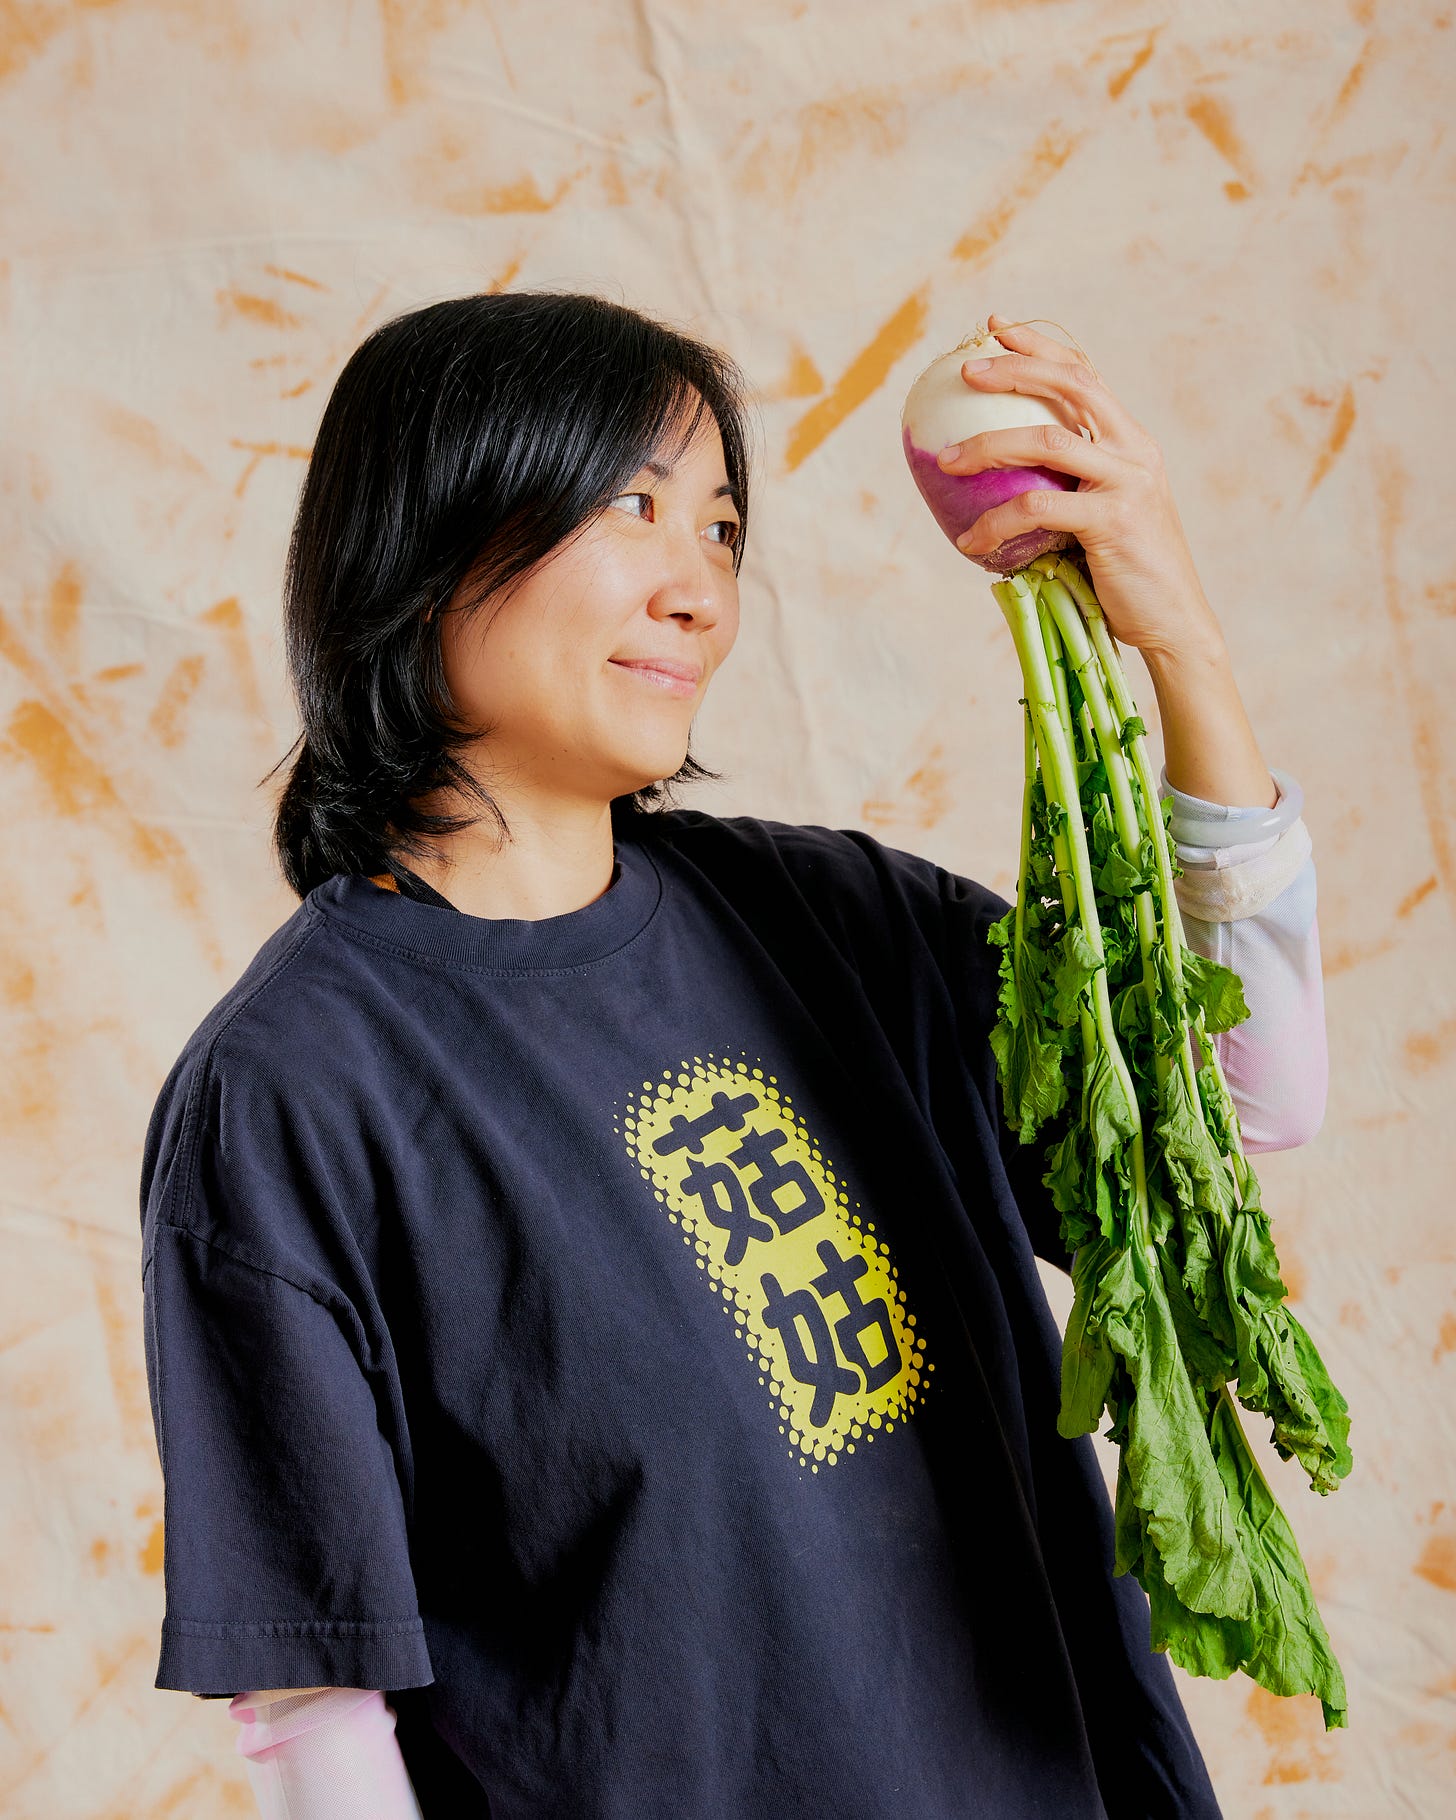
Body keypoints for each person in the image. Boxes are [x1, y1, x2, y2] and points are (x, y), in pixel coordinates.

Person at [138, 291, 1326, 1819]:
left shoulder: (842, 923)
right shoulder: (295, 1093)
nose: (698, 588)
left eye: (718, 527)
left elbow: (1242, 1108)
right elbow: (318, 1706)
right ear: (424, 540)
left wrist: (1181, 646)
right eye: (632, 505)